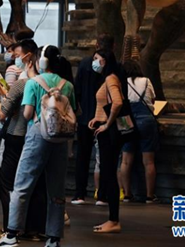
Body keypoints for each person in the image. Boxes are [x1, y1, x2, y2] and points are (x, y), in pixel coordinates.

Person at [0, 45, 75, 247]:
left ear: (41, 61)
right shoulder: (67, 85)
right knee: (56, 190)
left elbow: (28, 113)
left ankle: (12, 234)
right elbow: (74, 112)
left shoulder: (32, 83)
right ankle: (54, 238)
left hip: (37, 136)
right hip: (60, 140)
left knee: (22, 185)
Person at [0, 54, 47, 244]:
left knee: (8, 183)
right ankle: (34, 229)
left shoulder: (22, 84)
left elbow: (3, 114)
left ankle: (10, 229)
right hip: (39, 137)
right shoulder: (51, 84)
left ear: (30, 62)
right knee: (36, 183)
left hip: (17, 135)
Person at [72, 34, 114, 206]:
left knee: (82, 156)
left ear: (96, 45)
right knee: (105, 158)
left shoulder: (85, 64)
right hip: (105, 119)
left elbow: (77, 91)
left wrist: (77, 112)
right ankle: (102, 195)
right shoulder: (113, 68)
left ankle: (79, 194)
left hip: (85, 117)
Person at [88, 49, 125, 234]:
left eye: (96, 58)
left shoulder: (110, 78)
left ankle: (114, 220)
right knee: (108, 173)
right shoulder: (109, 78)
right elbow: (108, 104)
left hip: (109, 133)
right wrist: (98, 118)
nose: (94, 62)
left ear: (104, 60)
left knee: (109, 174)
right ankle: (112, 219)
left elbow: (117, 102)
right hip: (106, 130)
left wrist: (107, 124)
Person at [120, 60, 160, 203]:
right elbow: (153, 100)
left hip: (127, 120)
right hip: (146, 120)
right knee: (148, 162)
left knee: (125, 161)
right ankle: (149, 196)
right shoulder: (146, 81)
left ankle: (127, 194)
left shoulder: (121, 83)